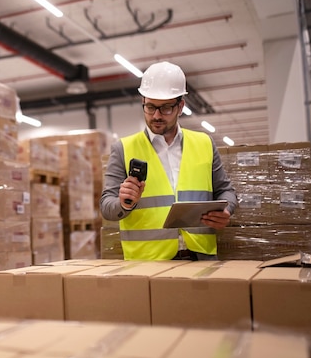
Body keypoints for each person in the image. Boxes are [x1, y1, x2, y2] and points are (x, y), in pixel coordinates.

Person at [100, 61, 237, 261]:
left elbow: (226, 191)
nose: (156, 115)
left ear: (180, 106)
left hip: (200, 257)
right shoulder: (124, 148)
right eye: (150, 107)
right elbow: (106, 206)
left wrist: (226, 211)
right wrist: (124, 203)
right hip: (148, 264)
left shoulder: (204, 143)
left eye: (165, 108)